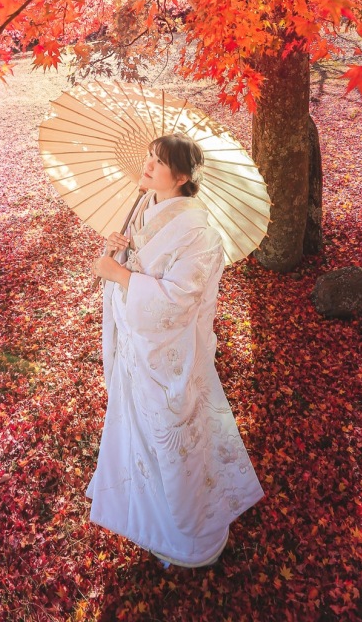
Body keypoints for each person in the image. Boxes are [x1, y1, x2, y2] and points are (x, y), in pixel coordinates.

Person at [86, 133, 264, 568]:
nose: (146, 165)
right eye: (147, 156)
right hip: (140, 353)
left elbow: (178, 302)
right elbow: (146, 271)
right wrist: (122, 255)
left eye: (158, 161)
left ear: (182, 176)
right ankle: (152, 518)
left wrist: (121, 276)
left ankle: (188, 534)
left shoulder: (199, 233)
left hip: (170, 360)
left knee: (173, 445)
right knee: (144, 441)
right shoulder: (147, 211)